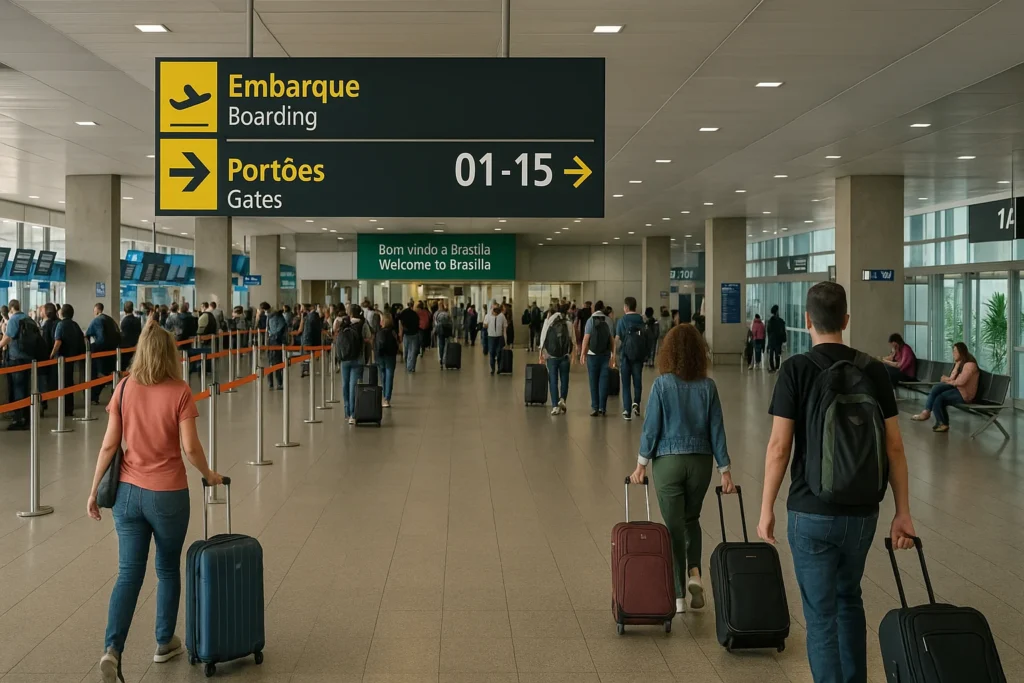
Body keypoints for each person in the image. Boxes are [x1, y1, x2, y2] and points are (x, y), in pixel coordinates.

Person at [757, 281, 916, 683]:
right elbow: (894, 448)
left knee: (820, 617)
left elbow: (779, 447)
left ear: (807, 320)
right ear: (846, 320)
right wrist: (903, 512)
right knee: (849, 600)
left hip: (810, 512)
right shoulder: (874, 370)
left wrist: (765, 509)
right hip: (862, 513)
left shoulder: (796, 369)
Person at [87, 321, 224, 683]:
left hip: (128, 495)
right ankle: (164, 642)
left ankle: (112, 650)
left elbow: (109, 445)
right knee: (166, 568)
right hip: (168, 495)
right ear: (170, 354)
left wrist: (92, 491)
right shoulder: (180, 391)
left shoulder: (124, 387)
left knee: (128, 573)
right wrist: (210, 475)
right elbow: (190, 448)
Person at [629, 323, 735, 613]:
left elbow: (651, 429)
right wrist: (724, 471)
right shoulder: (708, 387)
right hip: (700, 463)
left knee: (673, 527)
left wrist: (641, 466)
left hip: (669, 463)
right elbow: (717, 430)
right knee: (692, 520)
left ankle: (677, 596)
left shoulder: (662, 385)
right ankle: (695, 574)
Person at [910, 342, 979, 433]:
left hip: (964, 394)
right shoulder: (961, 363)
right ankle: (937, 419)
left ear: (961, 352)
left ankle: (937, 419)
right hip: (958, 389)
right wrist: (957, 365)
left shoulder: (970, 365)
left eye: (955, 351)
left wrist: (947, 380)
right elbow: (953, 378)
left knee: (939, 398)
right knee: (937, 390)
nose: (953, 354)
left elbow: (960, 382)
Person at [0, 299, 34, 430]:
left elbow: (8, 338)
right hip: (28, 358)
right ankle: (27, 417)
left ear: (11, 309)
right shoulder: (28, 318)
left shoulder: (14, 320)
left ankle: (19, 419)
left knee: (17, 389)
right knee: (25, 389)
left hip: (16, 359)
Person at [613, 297, 647, 421]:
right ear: (635, 307)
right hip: (638, 355)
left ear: (626, 307)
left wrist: (613, 355)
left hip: (625, 355)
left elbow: (617, 339)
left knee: (626, 383)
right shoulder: (641, 320)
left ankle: (627, 410)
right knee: (637, 381)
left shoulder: (622, 320)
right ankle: (636, 404)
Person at [539, 306, 574, 415]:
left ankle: (555, 406)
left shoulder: (548, 322)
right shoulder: (568, 323)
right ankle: (562, 399)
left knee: (553, 381)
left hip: (552, 357)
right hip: (564, 356)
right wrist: (572, 355)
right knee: (565, 379)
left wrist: (541, 354)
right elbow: (572, 340)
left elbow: (543, 339)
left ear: (550, 313)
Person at [579, 300, 612, 416]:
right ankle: (603, 408)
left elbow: (586, 338)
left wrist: (582, 353)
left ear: (594, 309)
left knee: (593, 381)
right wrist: (613, 356)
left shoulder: (590, 320)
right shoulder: (608, 320)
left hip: (592, 355)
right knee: (603, 381)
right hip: (605, 355)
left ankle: (595, 407)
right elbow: (611, 340)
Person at [52, 303, 85, 418]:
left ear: (62, 313)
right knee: (69, 383)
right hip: (73, 358)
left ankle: (64, 408)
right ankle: (69, 408)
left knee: (62, 384)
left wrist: (51, 355)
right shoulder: (75, 325)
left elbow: (58, 342)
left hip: (62, 359)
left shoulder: (60, 325)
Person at [339, 306, 370, 424]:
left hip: (345, 358)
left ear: (350, 313)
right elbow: (368, 338)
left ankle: (346, 412)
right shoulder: (363, 324)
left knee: (345, 385)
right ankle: (353, 414)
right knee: (354, 386)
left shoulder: (344, 323)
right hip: (358, 359)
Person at [87, 303, 120, 405]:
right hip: (112, 352)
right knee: (108, 375)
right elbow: (118, 334)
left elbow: (94, 336)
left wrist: (93, 349)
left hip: (100, 353)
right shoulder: (110, 320)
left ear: (96, 310)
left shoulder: (97, 320)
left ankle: (93, 397)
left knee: (97, 375)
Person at [375, 312, 399, 408]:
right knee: (389, 376)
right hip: (391, 356)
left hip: (381, 356)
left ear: (383, 321)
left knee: (383, 376)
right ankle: (387, 398)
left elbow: (377, 345)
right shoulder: (393, 332)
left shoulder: (380, 332)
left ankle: (384, 394)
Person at [483, 303, 508, 375]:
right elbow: (484, 325)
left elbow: (505, 327)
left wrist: (505, 340)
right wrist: (485, 325)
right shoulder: (488, 316)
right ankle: (492, 369)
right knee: (492, 353)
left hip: (499, 337)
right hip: (491, 337)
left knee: (499, 352)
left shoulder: (502, 316)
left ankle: (499, 368)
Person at [266, 306, 287, 390]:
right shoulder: (280, 319)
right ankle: (279, 382)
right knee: (278, 363)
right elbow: (282, 330)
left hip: (270, 341)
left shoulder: (269, 318)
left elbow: (269, 330)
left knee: (270, 362)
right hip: (278, 342)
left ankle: (270, 383)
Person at [398, 302, 422, 372]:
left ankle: (409, 366)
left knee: (406, 351)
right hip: (414, 334)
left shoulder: (404, 312)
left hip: (407, 334)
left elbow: (400, 322)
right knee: (413, 352)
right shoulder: (415, 314)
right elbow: (418, 325)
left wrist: (400, 332)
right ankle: (411, 366)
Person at [120, 302, 142, 370]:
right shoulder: (137, 321)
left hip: (126, 347)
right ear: (132, 309)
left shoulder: (124, 321)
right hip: (136, 345)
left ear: (124, 310)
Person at [765, 304, 787, 374]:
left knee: (771, 355)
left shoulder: (770, 321)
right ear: (777, 311)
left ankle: (773, 368)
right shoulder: (780, 321)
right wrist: (784, 340)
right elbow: (783, 331)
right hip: (778, 341)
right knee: (777, 355)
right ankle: (777, 368)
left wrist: (768, 342)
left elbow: (768, 332)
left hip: (772, 341)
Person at [434, 301, 453, 369]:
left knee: (441, 345)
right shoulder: (447, 313)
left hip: (440, 331)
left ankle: (441, 359)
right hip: (447, 331)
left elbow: (435, 323)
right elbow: (451, 322)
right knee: (447, 345)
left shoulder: (436, 313)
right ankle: (446, 359)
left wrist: (435, 331)